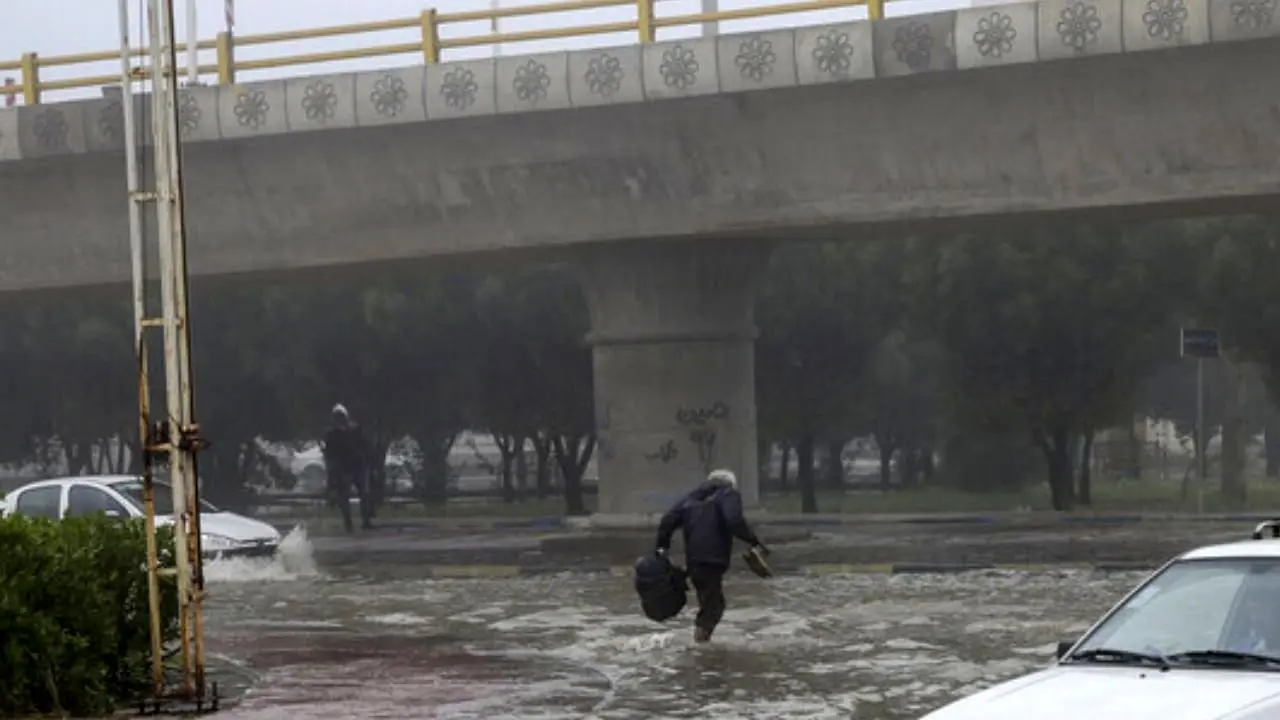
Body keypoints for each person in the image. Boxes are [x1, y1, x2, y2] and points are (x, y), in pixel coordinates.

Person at [655, 468, 767, 643]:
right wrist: (753, 541)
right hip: (713, 559)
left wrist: (662, 547)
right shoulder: (728, 494)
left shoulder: (691, 498)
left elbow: (668, 520)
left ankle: (701, 645)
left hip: (694, 560)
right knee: (714, 607)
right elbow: (734, 520)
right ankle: (700, 649)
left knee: (708, 602)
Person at [321, 403, 373, 532]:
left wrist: (366, 460)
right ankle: (348, 522)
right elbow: (330, 453)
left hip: (358, 465)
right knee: (344, 496)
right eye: (337, 417)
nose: (339, 419)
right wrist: (332, 469)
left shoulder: (355, 429)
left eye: (341, 416)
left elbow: (364, 445)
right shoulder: (331, 434)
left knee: (364, 494)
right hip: (344, 467)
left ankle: (366, 520)